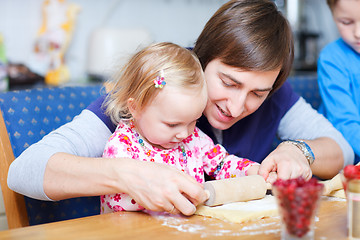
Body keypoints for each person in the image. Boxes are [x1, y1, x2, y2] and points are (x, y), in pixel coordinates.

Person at [8, 0, 354, 216]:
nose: (236, 105)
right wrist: (127, 174)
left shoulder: (274, 91)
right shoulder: (158, 87)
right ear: (202, 57)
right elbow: (24, 171)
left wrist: (300, 151)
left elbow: (340, 147)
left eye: (257, 94)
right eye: (229, 82)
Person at [100, 42, 261, 214]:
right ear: (136, 108)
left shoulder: (194, 139)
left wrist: (251, 170)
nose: (184, 133)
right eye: (172, 124)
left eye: (193, 121)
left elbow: (221, 164)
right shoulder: (122, 146)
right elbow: (116, 201)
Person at [317, 0, 360, 165]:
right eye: (346, 22)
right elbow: (344, 123)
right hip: (342, 161)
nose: (358, 32)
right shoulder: (332, 58)